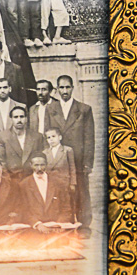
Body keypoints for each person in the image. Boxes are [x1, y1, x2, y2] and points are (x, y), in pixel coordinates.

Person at [46, 74, 95, 229]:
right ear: (57, 89)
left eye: (68, 87)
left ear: (73, 88)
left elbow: (89, 138)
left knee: (81, 191)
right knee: (58, 191)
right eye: (62, 87)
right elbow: (47, 134)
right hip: (58, 160)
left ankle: (84, 225)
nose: (65, 91)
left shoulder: (84, 109)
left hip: (78, 159)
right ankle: (61, 223)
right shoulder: (50, 109)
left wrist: (88, 163)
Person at [21, 154, 75, 230]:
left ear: (46, 165)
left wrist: (59, 224)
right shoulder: (24, 185)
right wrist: (37, 224)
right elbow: (23, 210)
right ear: (31, 165)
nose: (39, 168)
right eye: (36, 165)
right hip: (34, 228)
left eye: (42, 165)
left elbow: (66, 207)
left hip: (57, 227)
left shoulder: (58, 183)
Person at [0, 105, 46, 180]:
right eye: (16, 117)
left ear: (26, 119)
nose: (19, 120)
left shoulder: (37, 137)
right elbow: (1, 161)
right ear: (11, 119)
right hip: (11, 179)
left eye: (22, 117)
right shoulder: (2, 137)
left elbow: (42, 159)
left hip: (32, 179)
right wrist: (8, 179)